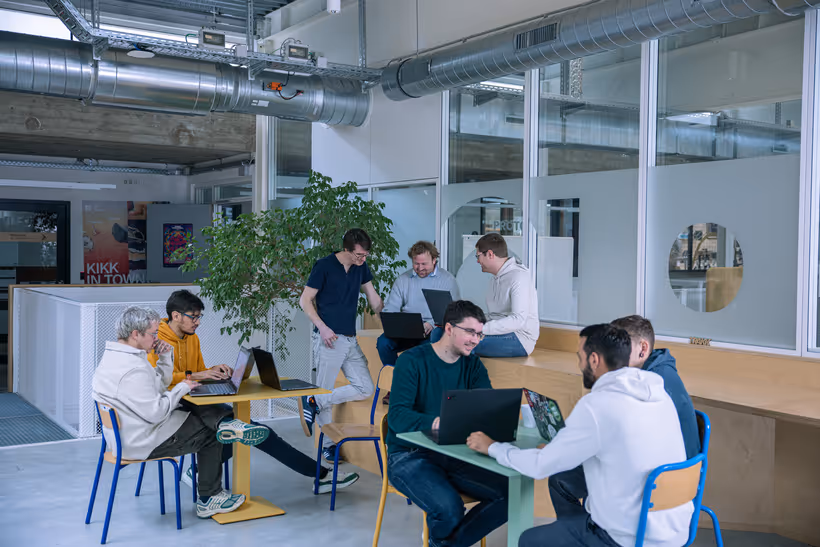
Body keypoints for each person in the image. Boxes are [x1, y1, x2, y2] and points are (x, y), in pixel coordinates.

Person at [467, 324, 693, 547]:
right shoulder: (659, 394)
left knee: (527, 540)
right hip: (676, 531)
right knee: (564, 485)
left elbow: (539, 466)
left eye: (580, 357)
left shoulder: (597, 405)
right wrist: (561, 451)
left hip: (626, 538)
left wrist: (492, 447)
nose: (579, 365)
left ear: (594, 360)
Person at [147, 290, 359, 494]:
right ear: (176, 316)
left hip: (197, 400)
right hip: (174, 405)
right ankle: (321, 476)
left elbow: (198, 370)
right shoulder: (157, 341)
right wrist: (196, 375)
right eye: (193, 317)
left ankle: (198, 470)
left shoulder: (192, 337)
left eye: (199, 317)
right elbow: (159, 381)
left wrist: (214, 370)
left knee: (255, 433)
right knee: (251, 433)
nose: (197, 322)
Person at [92, 307, 265, 518]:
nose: (156, 338)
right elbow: (156, 412)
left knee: (190, 405)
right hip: (141, 442)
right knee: (212, 433)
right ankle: (209, 499)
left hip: (124, 437)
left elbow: (157, 386)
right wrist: (182, 387)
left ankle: (226, 424)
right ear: (135, 334)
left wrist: (165, 358)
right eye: (153, 333)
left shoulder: (115, 357)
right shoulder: (133, 369)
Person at [547, 315, 701, 522]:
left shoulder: (652, 384)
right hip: (663, 476)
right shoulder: (652, 373)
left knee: (561, 479)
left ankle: (587, 533)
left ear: (643, 349)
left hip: (660, 484)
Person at [387, 300, 508, 547]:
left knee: (511, 494)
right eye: (470, 332)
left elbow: (486, 409)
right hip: (409, 455)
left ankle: (443, 544)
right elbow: (397, 417)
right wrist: (436, 422)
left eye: (480, 334)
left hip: (455, 453)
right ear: (450, 328)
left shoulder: (473, 365)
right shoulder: (411, 360)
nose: (476, 340)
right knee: (449, 508)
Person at [298, 228, 384, 463]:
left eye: (366, 255)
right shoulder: (324, 266)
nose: (362, 259)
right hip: (329, 339)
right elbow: (304, 300)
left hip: (349, 338)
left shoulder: (360, 267)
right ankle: (328, 446)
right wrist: (323, 327)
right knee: (325, 388)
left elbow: (373, 297)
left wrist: (386, 315)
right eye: (359, 255)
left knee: (365, 388)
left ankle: (314, 400)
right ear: (346, 249)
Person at [378, 241, 460, 404]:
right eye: (416, 263)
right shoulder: (403, 280)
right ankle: (396, 385)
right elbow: (391, 308)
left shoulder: (447, 280)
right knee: (383, 343)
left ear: (434, 260)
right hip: (407, 329)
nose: (420, 268)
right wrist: (391, 318)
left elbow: (454, 312)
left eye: (424, 264)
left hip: (432, 330)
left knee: (434, 340)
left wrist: (431, 323)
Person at [468, 233, 540, 357]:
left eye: (478, 256)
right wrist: (470, 322)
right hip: (500, 333)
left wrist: (481, 328)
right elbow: (495, 315)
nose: (477, 261)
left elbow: (518, 320)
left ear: (490, 254)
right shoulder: (494, 279)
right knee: (442, 333)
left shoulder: (519, 277)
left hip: (520, 338)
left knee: (464, 342)